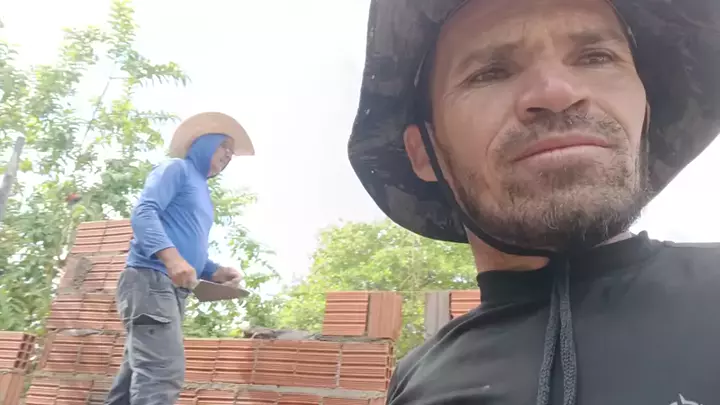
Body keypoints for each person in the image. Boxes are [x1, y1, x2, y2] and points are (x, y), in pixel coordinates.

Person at [348, 0, 720, 403]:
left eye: (596, 57)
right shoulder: (419, 382)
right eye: (491, 72)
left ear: (644, 114)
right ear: (424, 152)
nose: (558, 93)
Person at [104, 112, 255, 405]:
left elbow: (186, 246)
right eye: (224, 145)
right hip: (150, 280)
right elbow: (144, 213)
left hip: (170, 289)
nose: (229, 154)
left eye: (232, 152)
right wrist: (172, 260)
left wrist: (214, 271)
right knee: (161, 373)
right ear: (203, 143)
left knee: (134, 378)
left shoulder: (202, 192)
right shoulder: (177, 169)